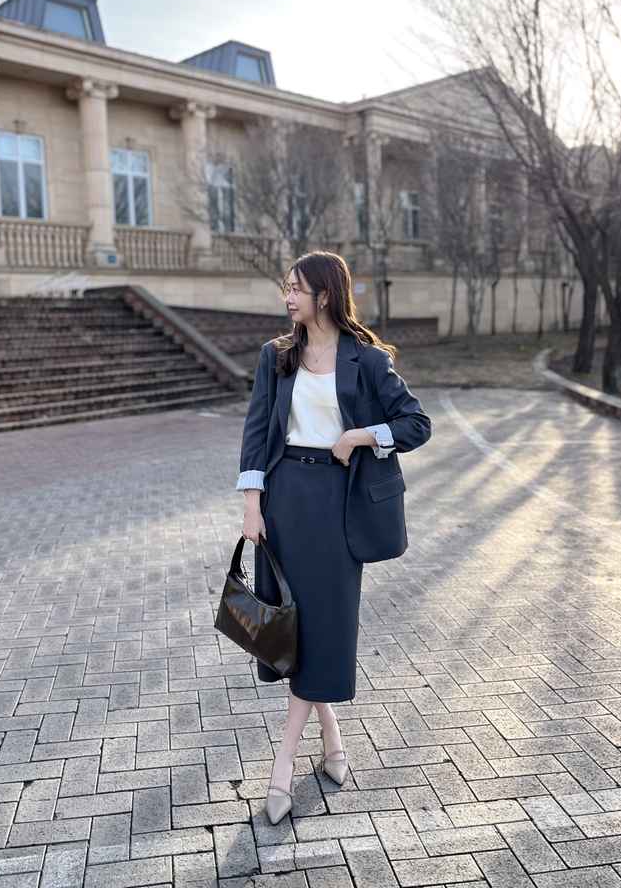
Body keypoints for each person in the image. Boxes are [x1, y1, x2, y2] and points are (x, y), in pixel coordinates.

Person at [237, 251, 431, 824]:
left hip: (338, 507)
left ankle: (282, 766)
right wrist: (252, 505)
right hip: (284, 502)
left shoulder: (366, 359)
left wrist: (360, 436)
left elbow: (416, 423)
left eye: (296, 288)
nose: (287, 297)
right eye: (286, 287)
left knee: (323, 626)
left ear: (324, 293)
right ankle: (333, 738)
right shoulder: (276, 356)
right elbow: (256, 432)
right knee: (292, 628)